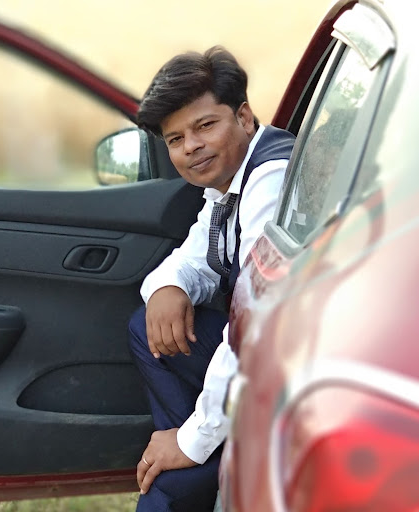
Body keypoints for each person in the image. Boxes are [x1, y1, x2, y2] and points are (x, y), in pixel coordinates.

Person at [129, 45, 295, 512]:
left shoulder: (269, 180)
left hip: (297, 369)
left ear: (243, 117)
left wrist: (191, 440)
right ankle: (202, 461)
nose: (191, 146)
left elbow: (254, 325)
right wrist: (168, 286)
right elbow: (196, 255)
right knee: (147, 325)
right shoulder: (227, 185)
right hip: (274, 359)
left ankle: (192, 463)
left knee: (167, 486)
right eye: (175, 139)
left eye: (204, 126)